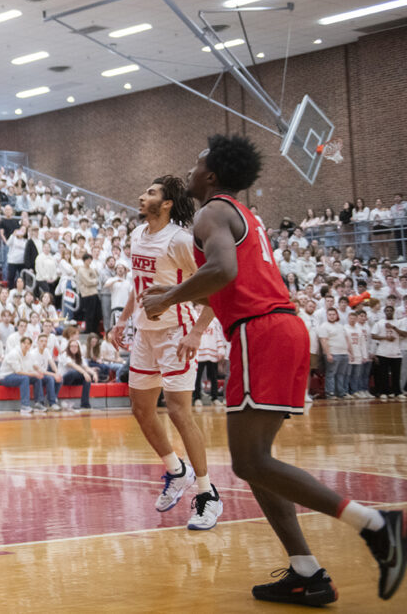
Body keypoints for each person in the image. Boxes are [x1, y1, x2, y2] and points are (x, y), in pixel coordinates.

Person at [141, 134, 404, 605]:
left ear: (214, 176)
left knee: (250, 461)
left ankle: (377, 525)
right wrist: (184, 306)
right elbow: (225, 283)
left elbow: (222, 271)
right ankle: (306, 571)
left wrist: (165, 297)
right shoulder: (243, 216)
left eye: (198, 162)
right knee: (256, 461)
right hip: (276, 328)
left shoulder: (211, 211)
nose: (192, 168)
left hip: (260, 331)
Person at [111, 175, 222, 531]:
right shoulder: (136, 236)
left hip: (176, 332)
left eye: (151, 193)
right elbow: (138, 285)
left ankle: (208, 494)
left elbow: (216, 288)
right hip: (146, 332)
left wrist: (196, 333)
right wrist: (123, 319)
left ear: (168, 203)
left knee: (177, 411)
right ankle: (177, 470)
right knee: (141, 409)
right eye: (145, 191)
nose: (142, 196)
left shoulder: (180, 241)